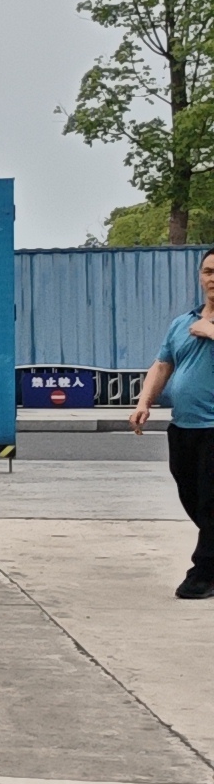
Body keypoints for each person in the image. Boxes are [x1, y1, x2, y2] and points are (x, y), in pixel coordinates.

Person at [129, 247, 214, 598]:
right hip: (183, 427)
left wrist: (212, 331)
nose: (213, 279)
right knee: (191, 497)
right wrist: (144, 402)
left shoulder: (204, 326)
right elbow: (162, 364)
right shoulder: (182, 322)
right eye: (208, 272)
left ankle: (203, 574)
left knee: (211, 503)